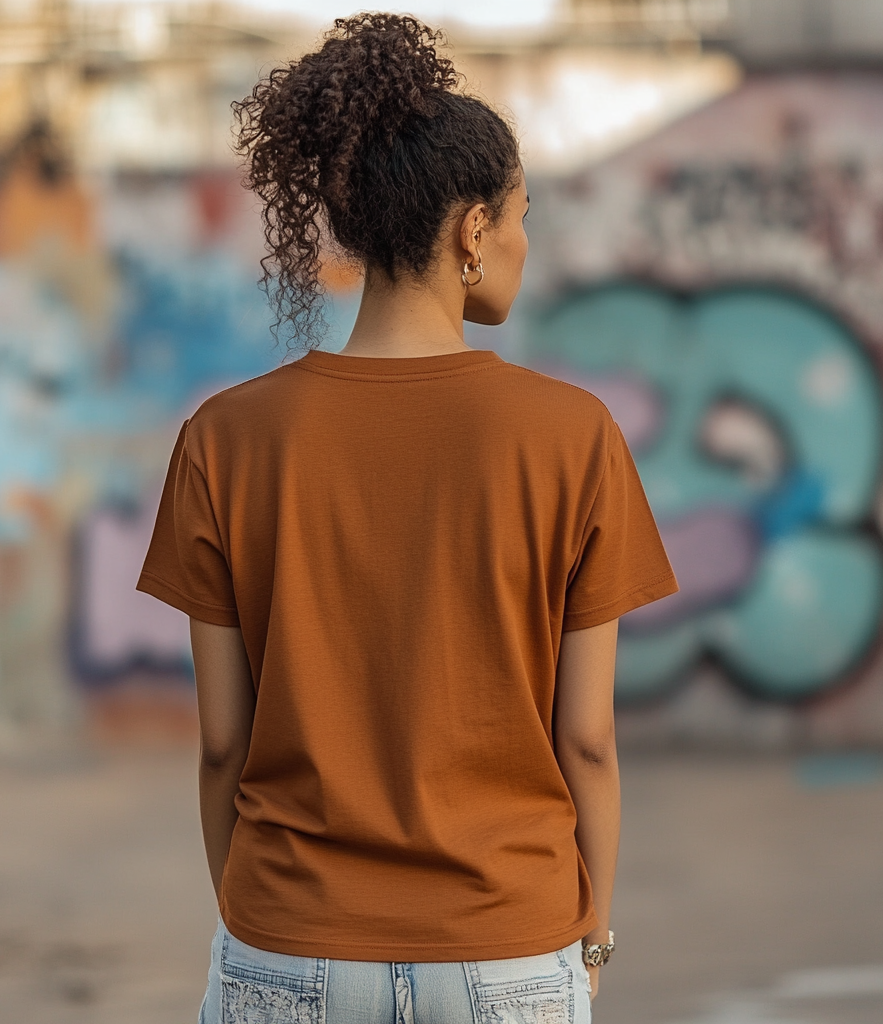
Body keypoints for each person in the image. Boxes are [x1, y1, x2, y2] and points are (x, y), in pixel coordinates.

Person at [137, 13, 677, 1023]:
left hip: (287, 937)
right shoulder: (572, 435)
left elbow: (222, 743)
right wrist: (591, 925)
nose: (523, 239)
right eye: (520, 214)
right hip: (506, 940)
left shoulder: (225, 436)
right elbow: (588, 740)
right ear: (472, 230)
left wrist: (258, 918)